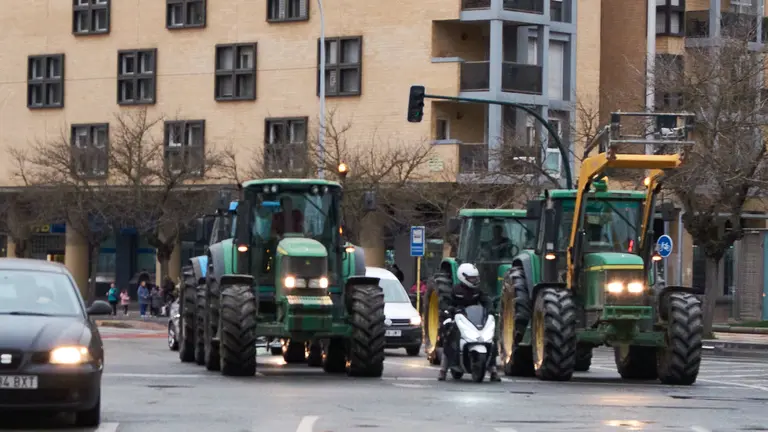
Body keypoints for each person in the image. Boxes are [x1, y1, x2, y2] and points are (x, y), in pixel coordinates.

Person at [437, 262, 500, 382]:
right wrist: (450, 310)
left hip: (474, 320)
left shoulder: (477, 290)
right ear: (463, 277)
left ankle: (493, 371)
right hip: (458, 319)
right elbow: (446, 303)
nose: (474, 280)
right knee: (449, 339)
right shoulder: (455, 290)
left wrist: (490, 309)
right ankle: (443, 370)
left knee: (492, 340)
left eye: (475, 278)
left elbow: (486, 300)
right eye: (471, 278)